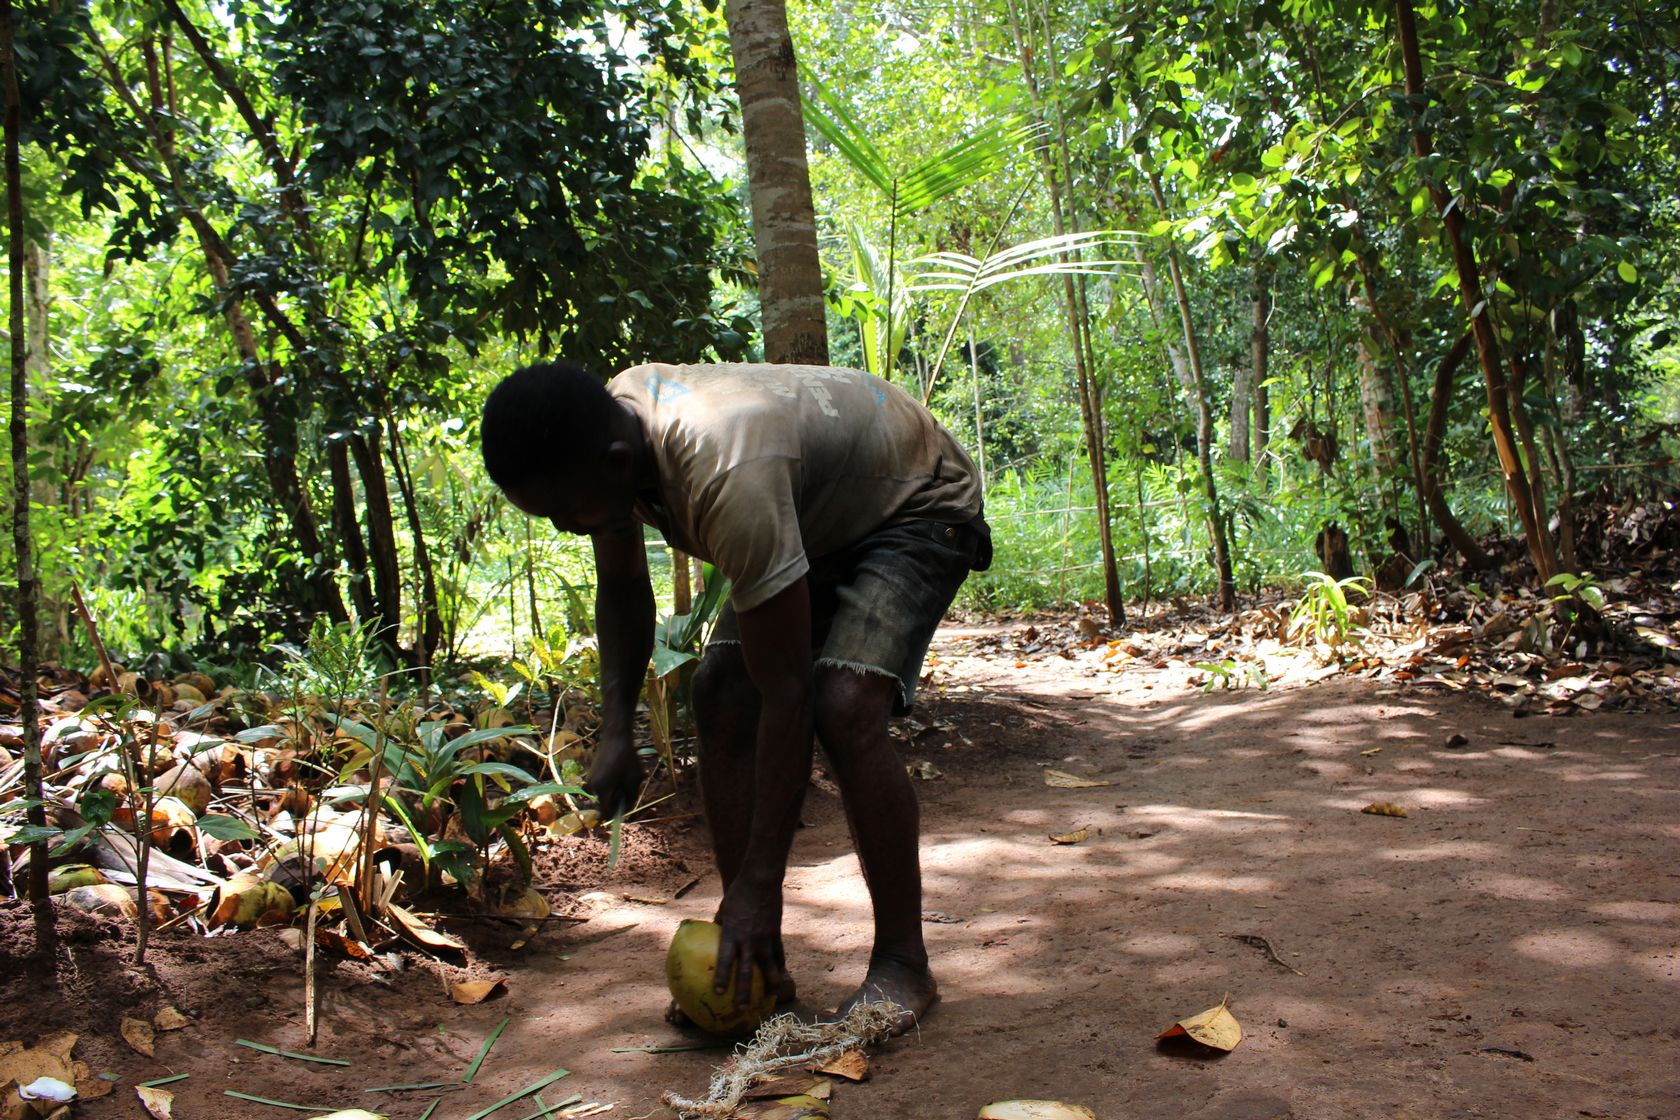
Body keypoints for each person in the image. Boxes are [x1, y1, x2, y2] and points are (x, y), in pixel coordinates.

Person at [480, 359, 989, 1034]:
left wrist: (762, 882)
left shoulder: (725, 471)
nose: (565, 527)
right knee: (720, 688)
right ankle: (752, 952)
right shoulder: (608, 437)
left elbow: (787, 695)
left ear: (617, 460)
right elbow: (624, 587)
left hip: (917, 502)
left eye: (564, 511)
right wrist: (616, 730)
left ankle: (902, 962)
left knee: (843, 704)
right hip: (815, 513)